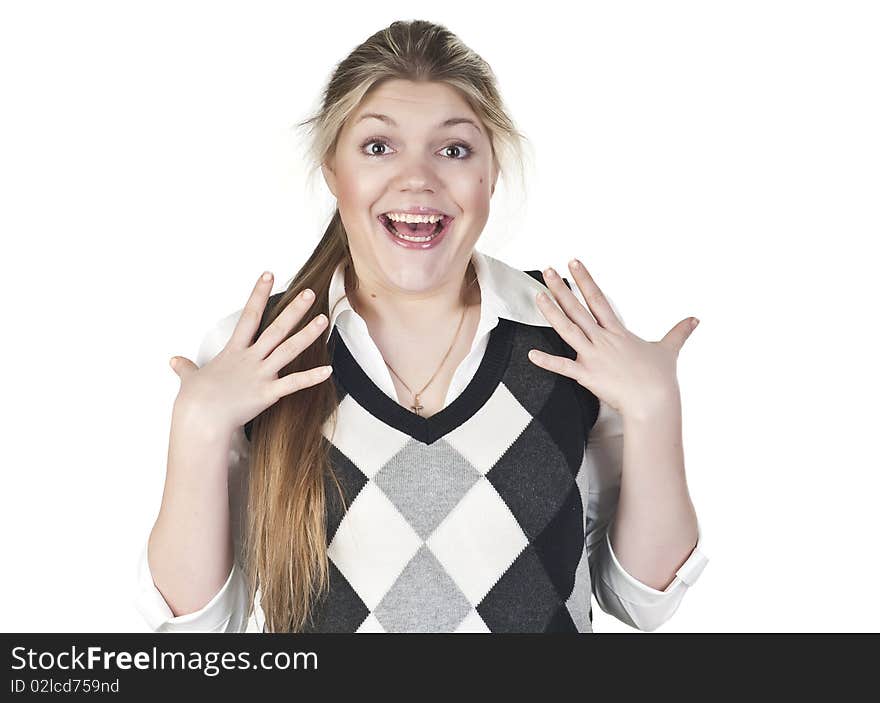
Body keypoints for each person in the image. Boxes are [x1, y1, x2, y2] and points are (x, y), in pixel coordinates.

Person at [134, 19, 709, 633]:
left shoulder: (570, 334)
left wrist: (654, 408)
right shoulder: (259, 352)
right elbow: (193, 630)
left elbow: (642, 601)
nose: (417, 179)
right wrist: (197, 428)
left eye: (454, 149)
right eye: (379, 147)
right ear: (333, 171)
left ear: (492, 172)